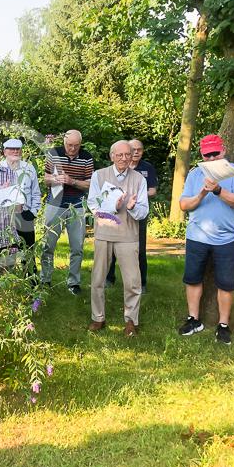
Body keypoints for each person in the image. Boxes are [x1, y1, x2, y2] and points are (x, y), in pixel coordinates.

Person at [177, 134, 234, 344]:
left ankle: (223, 324)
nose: (211, 158)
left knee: (226, 283)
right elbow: (183, 205)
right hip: (197, 235)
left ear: (223, 151)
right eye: (207, 155)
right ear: (202, 155)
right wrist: (201, 194)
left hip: (227, 237)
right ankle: (193, 319)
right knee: (192, 278)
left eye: (215, 153)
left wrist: (217, 189)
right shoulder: (194, 174)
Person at [87, 140, 149, 336]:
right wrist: (113, 207)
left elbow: (143, 212)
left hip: (128, 236)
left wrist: (131, 207)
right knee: (98, 279)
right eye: (119, 155)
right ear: (112, 156)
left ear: (132, 156)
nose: (124, 158)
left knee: (132, 281)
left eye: (127, 154)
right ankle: (98, 318)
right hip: (104, 234)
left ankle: (131, 321)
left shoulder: (139, 179)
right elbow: (93, 205)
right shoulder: (99, 175)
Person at [40, 130, 94, 293]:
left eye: (76, 145)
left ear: (80, 143)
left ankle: (73, 282)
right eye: (70, 145)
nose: (72, 148)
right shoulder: (53, 153)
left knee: (77, 247)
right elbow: (45, 178)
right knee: (48, 245)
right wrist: (56, 179)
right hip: (55, 204)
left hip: (77, 205)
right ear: (64, 143)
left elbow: (90, 184)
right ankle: (45, 280)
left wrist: (72, 181)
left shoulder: (86, 157)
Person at [106, 138, 158, 291]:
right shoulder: (117, 167)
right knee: (112, 246)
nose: (136, 152)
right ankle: (109, 279)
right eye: (132, 150)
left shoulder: (147, 168)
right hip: (117, 211)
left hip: (137, 212)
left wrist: (137, 197)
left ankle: (141, 283)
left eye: (139, 150)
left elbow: (153, 190)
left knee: (139, 249)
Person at [2, 138, 41, 280]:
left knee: (28, 253)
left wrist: (33, 213)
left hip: (24, 216)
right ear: (5, 151)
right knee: (6, 253)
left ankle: (32, 285)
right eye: (11, 149)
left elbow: (36, 193)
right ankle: (8, 286)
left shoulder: (28, 168)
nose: (15, 152)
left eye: (17, 149)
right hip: (4, 219)